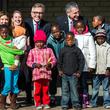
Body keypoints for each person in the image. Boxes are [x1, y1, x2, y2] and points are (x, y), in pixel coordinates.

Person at [26, 30, 56, 110]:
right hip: (37, 75)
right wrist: (34, 64)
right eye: (37, 42)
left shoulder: (49, 50)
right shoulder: (32, 51)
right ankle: (38, 103)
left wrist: (50, 64)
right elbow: (28, 62)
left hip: (46, 74)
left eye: (41, 42)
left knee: (46, 90)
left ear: (44, 41)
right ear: (35, 42)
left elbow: (54, 60)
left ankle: (46, 103)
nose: (39, 44)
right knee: (37, 90)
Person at [58, 32, 85, 110]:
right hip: (64, 75)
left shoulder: (77, 50)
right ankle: (65, 104)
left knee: (74, 90)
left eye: (71, 40)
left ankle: (76, 104)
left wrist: (79, 72)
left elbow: (81, 61)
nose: (70, 41)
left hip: (74, 75)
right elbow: (59, 61)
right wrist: (59, 70)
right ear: (65, 40)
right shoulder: (63, 50)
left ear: (74, 40)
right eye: (68, 40)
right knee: (64, 90)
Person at [73, 20, 96, 108]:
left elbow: (92, 51)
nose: (80, 29)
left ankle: (85, 100)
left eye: (81, 27)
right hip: (75, 65)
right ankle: (77, 100)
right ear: (75, 28)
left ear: (85, 27)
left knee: (84, 83)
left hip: (86, 64)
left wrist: (92, 65)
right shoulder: (73, 36)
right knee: (76, 84)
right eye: (78, 27)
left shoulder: (89, 36)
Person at [0, 25, 24, 109]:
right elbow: (16, 50)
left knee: (14, 84)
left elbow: (17, 49)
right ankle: (2, 103)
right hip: (7, 66)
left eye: (6, 32)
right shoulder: (0, 42)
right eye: (2, 32)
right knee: (7, 85)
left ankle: (13, 103)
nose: (4, 34)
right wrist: (20, 51)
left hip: (16, 65)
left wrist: (19, 53)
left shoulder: (12, 39)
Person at [11, 10, 32, 105]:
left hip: (24, 55)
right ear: (12, 19)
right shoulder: (9, 29)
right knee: (14, 77)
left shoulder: (25, 29)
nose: (18, 19)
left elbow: (28, 43)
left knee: (26, 76)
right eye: (16, 17)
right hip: (11, 56)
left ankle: (28, 98)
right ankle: (12, 99)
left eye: (19, 17)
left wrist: (26, 52)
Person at [89, 29, 110, 109]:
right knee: (95, 89)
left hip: (105, 72)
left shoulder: (108, 47)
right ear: (96, 38)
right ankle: (93, 102)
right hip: (96, 71)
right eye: (98, 38)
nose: (100, 40)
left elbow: (109, 58)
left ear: (105, 38)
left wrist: (108, 69)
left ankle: (107, 103)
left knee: (106, 88)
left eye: (102, 38)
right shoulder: (93, 46)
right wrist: (91, 67)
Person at [47, 23, 65, 105]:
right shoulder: (49, 40)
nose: (56, 34)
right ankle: (52, 96)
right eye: (54, 32)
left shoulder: (65, 38)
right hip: (54, 63)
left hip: (63, 63)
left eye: (57, 31)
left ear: (60, 31)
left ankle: (65, 97)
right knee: (53, 80)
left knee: (63, 80)